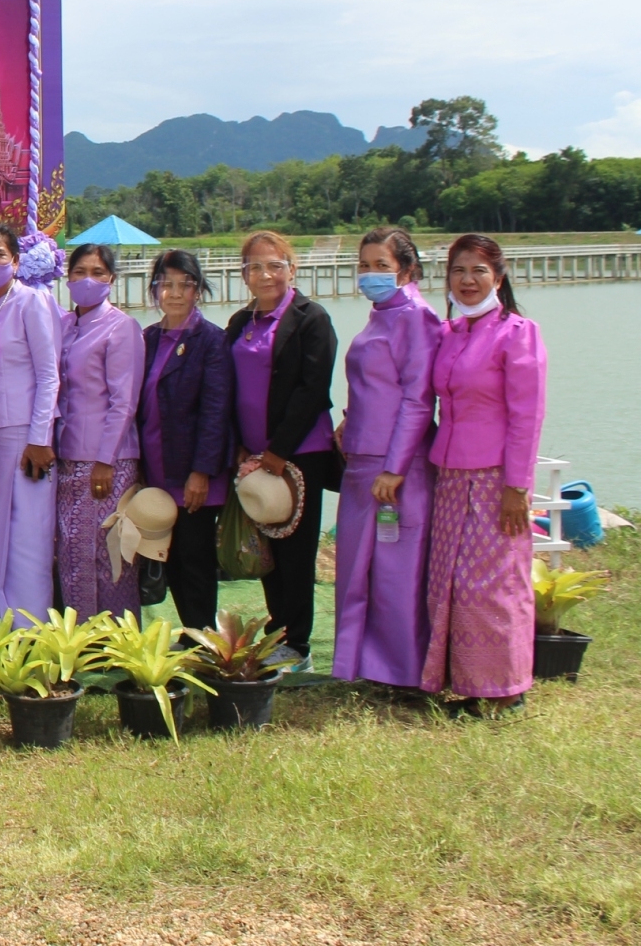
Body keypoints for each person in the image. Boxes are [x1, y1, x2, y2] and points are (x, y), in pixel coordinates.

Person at [422, 234, 547, 715]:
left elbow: (527, 416)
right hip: (450, 474)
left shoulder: (517, 333)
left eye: (478, 270)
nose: (467, 280)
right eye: (458, 270)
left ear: (498, 276)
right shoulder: (450, 333)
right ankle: (468, 684)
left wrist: (517, 487)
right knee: (451, 581)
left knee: (492, 585)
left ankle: (506, 691)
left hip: (496, 477)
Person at [225, 230, 343, 670]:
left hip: (298, 454)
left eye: (275, 265)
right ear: (244, 275)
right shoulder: (240, 322)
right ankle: (278, 633)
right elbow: (227, 386)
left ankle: (299, 644)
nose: (266, 274)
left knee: (296, 551)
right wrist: (238, 444)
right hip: (252, 457)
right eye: (255, 267)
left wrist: (278, 451)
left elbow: (313, 389)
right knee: (267, 550)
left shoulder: (311, 319)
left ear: (292, 269)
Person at [334, 227, 444, 691]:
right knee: (358, 569)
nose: (370, 274)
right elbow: (375, 386)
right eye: (364, 265)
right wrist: (349, 421)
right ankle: (363, 666)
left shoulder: (417, 317)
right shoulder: (381, 314)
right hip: (361, 458)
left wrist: (395, 468)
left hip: (397, 465)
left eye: (382, 265)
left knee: (398, 572)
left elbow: (418, 399)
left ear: (407, 270)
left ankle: (405, 672)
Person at [0, 222, 60, 623]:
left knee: (28, 540)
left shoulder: (32, 302)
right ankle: (5, 627)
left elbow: (49, 374)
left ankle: (33, 632)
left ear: (16, 261)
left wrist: (40, 438)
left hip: (25, 437)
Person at [139, 250, 234, 630]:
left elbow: (216, 410)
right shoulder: (149, 338)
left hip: (193, 472)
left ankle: (204, 636)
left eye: (185, 285)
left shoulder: (211, 340)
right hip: (157, 465)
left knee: (195, 557)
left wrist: (202, 471)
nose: (175, 293)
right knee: (172, 556)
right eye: (166, 284)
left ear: (198, 290)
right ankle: (192, 633)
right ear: (154, 289)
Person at [54, 243, 144, 620]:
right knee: (73, 552)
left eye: (97, 273)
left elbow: (124, 401)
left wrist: (105, 461)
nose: (87, 280)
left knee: (110, 554)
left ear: (111, 280)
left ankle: (118, 640)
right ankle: (80, 639)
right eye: (79, 272)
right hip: (67, 458)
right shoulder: (63, 325)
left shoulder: (122, 327)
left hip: (108, 461)